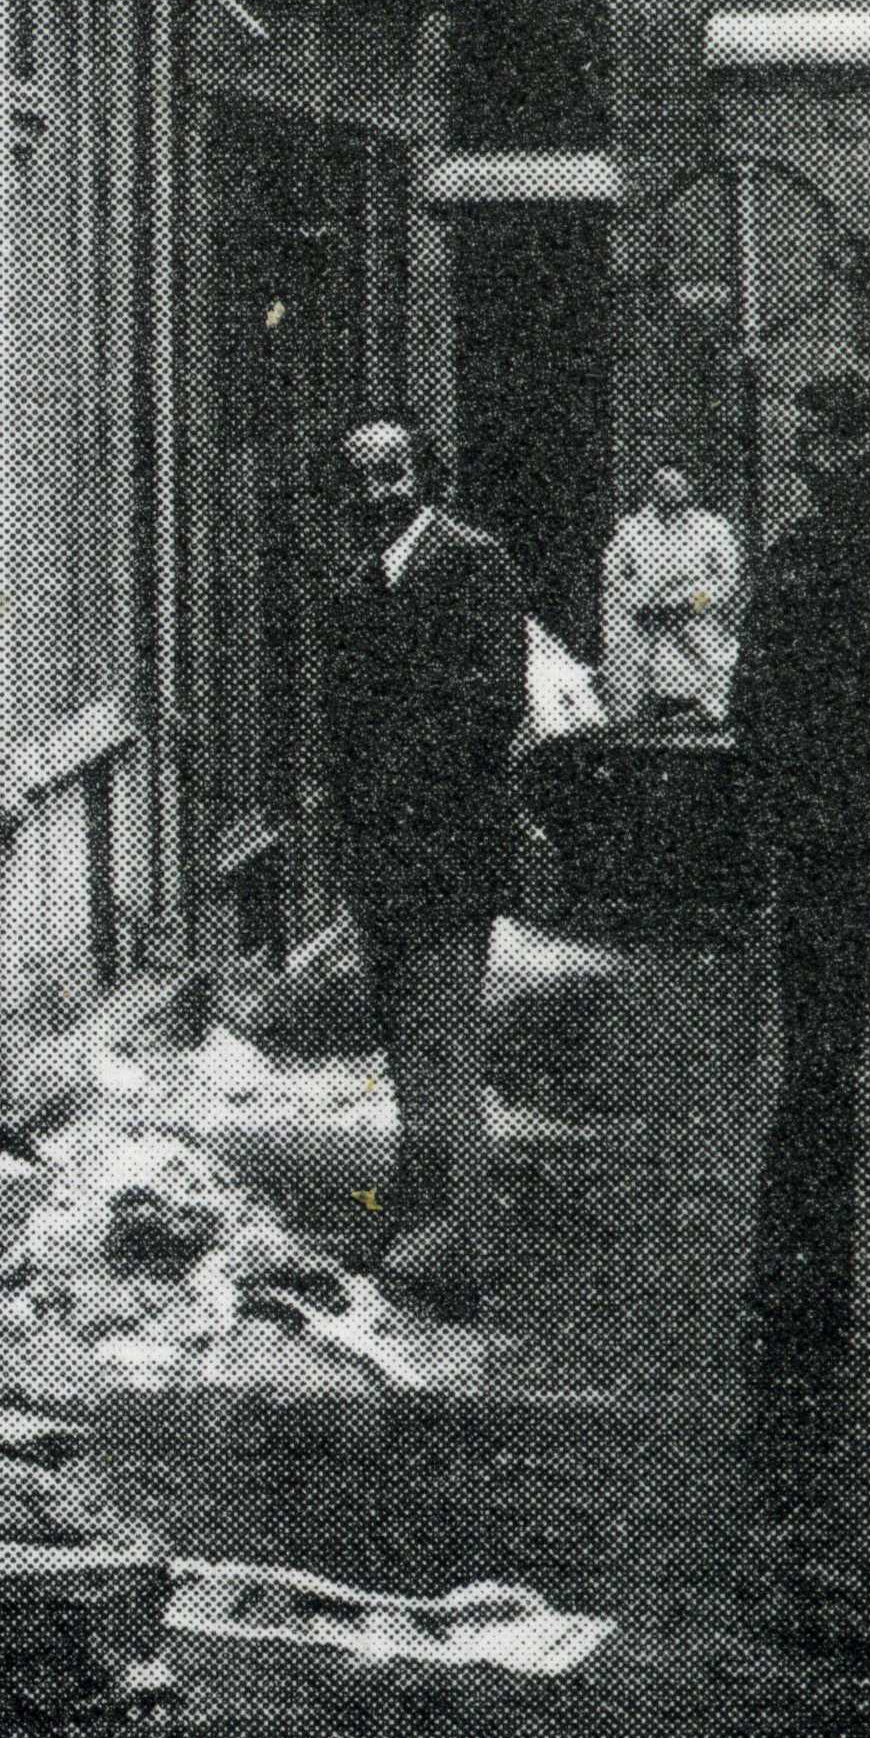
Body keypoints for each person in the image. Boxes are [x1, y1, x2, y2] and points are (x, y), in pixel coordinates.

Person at [298, 417, 536, 1311]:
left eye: (391, 474)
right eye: (357, 479)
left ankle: (463, 1244)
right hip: (382, 856)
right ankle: (414, 1215)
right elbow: (337, 721)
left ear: (421, 476)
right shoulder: (353, 586)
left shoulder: (472, 561)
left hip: (445, 847)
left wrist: (400, 775)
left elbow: (494, 698)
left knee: (444, 1038)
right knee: (404, 1041)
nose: (375, 495)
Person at [740, 372, 870, 1446]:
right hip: (859, 848)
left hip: (838, 852)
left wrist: (781, 814)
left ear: (868, 445)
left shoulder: (802, 557)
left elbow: (757, 707)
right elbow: (758, 704)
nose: (804, 451)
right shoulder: (800, 553)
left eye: (822, 437)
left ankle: (801, 1295)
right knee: (829, 1069)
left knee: (815, 1069)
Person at [600, 464, 745, 726]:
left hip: (697, 621)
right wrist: (640, 603)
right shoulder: (631, 529)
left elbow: (727, 579)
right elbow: (613, 577)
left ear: (689, 487)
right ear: (650, 489)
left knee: (713, 672)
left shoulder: (711, 528)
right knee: (631, 678)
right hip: (646, 621)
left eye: (675, 485)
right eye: (661, 485)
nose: (668, 492)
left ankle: (703, 719)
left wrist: (693, 604)